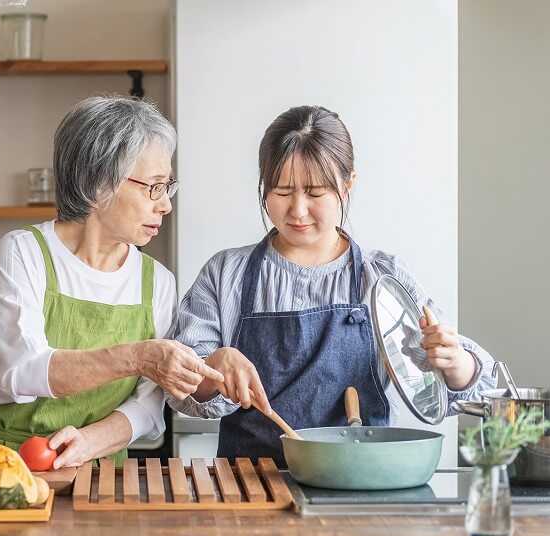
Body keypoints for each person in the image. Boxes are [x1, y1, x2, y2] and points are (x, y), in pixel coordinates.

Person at [168, 105, 495, 465]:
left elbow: (459, 389)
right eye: (282, 190)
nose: (298, 209)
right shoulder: (226, 273)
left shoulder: (383, 278)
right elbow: (183, 391)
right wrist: (214, 365)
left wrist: (455, 363)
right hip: (250, 487)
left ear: (347, 184)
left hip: (359, 485)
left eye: (316, 192)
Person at [0, 96, 223, 469]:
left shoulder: (156, 281)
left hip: (100, 472)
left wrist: (90, 441)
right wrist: (139, 357)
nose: (165, 206)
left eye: (167, 187)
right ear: (95, 184)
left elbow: (148, 404)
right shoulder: (23, 253)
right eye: (153, 187)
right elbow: (23, 369)